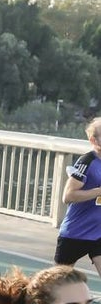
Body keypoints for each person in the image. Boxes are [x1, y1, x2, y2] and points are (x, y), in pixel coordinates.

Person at [54, 118, 101, 280]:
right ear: (93, 140)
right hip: (75, 232)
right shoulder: (87, 162)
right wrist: (98, 191)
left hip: (98, 233)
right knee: (58, 282)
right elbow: (68, 196)